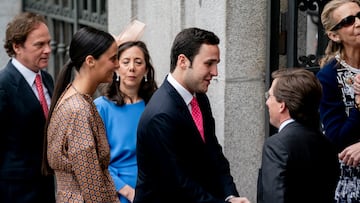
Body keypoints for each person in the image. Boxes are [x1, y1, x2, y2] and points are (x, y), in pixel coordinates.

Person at [134, 27, 250, 203]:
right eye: (208, 63)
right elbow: (178, 183)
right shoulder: (161, 114)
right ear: (183, 61)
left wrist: (231, 196)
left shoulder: (200, 98)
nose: (215, 72)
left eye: (216, 63)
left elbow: (214, 154)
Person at [42, 26, 120, 202]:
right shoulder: (79, 111)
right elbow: (92, 185)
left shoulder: (74, 98)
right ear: (90, 61)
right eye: (113, 58)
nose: (117, 65)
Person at [257, 68, 339, 203]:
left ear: (282, 105)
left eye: (270, 96)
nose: (267, 102)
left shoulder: (276, 145)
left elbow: (274, 197)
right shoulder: (326, 143)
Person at [0, 12, 55, 202]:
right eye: (39, 45)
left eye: (48, 43)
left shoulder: (46, 79)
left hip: (45, 187)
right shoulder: (4, 86)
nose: (48, 50)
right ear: (17, 47)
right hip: (15, 192)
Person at [94, 40, 158, 203]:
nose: (132, 68)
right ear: (116, 67)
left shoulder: (154, 106)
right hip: (115, 193)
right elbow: (94, 161)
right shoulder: (102, 107)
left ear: (145, 69)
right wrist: (128, 192)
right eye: (125, 62)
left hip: (153, 190)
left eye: (138, 62)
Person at [316, 0, 360, 201]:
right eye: (349, 21)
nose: (358, 22)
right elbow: (338, 139)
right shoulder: (329, 77)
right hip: (353, 181)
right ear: (334, 35)